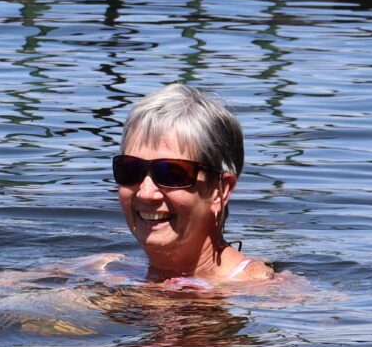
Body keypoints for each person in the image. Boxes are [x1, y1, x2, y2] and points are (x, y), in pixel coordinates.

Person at [109, 82, 273, 291]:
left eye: (172, 173)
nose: (146, 193)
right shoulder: (111, 268)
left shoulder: (257, 286)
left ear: (220, 190)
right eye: (130, 169)